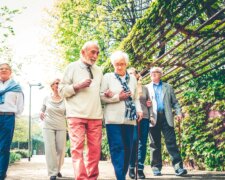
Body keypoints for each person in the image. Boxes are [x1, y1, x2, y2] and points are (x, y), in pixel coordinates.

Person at [60, 41, 103, 180]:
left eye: (97, 53)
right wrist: (77, 86)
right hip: (76, 116)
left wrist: (109, 94)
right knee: (77, 150)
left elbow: (100, 94)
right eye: (92, 52)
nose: (95, 56)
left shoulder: (99, 71)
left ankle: (92, 178)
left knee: (95, 151)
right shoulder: (71, 68)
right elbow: (61, 90)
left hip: (95, 116)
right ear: (83, 52)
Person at [100, 51, 143, 180]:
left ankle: (121, 175)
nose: (119, 67)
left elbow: (135, 98)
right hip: (113, 120)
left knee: (128, 149)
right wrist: (118, 97)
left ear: (126, 64)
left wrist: (139, 110)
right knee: (117, 148)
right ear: (113, 64)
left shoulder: (133, 79)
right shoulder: (107, 77)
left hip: (129, 119)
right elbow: (101, 97)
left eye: (122, 64)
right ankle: (120, 177)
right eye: (117, 64)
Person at [146, 67, 187, 176]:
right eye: (151, 73)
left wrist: (178, 113)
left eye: (156, 72)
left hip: (166, 117)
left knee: (171, 142)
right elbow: (142, 103)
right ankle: (156, 168)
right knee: (154, 144)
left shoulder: (168, 87)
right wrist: (146, 105)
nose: (153, 74)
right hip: (153, 118)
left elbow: (175, 103)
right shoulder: (146, 88)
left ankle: (178, 168)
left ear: (161, 74)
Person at [0, 63, 24, 180]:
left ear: (10, 72)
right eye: (1, 68)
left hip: (8, 118)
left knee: (4, 147)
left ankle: (1, 173)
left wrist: (14, 116)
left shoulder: (16, 87)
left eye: (6, 69)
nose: (3, 70)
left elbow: (20, 105)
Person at [40, 78, 67, 180]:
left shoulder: (65, 98)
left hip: (61, 125)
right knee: (50, 149)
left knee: (61, 149)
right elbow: (42, 109)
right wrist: (40, 112)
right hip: (48, 125)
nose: (58, 85)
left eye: (59, 83)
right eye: (56, 83)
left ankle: (57, 169)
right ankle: (52, 173)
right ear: (52, 86)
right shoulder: (46, 97)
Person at [127, 68, 151, 179]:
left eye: (132, 73)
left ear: (137, 75)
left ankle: (140, 168)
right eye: (128, 74)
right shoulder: (126, 86)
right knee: (133, 141)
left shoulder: (145, 88)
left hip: (144, 117)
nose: (130, 75)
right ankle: (131, 167)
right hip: (132, 118)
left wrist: (150, 109)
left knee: (143, 143)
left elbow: (149, 103)